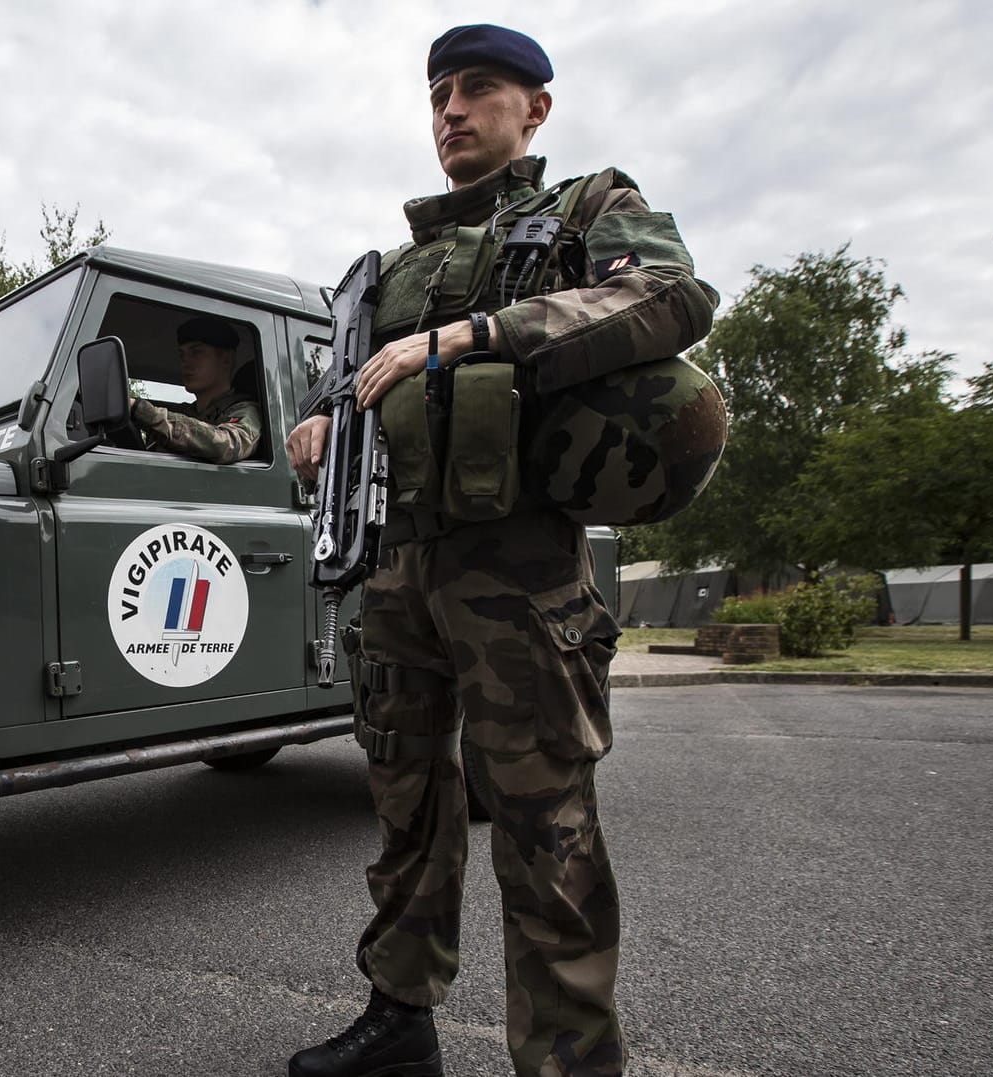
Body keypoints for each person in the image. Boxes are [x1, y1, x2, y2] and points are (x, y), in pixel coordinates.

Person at [284, 24, 718, 1077]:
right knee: (405, 809)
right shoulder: (384, 273)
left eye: (479, 88)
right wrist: (317, 424)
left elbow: (670, 297)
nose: (451, 109)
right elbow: (345, 392)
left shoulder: (584, 209)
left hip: (522, 570)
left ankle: (568, 1062)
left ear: (536, 109)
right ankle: (399, 1020)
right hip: (398, 565)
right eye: (438, 93)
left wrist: (476, 335)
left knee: (544, 830)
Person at [128, 316, 262, 464]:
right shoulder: (187, 412)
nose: (185, 362)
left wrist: (140, 410)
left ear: (226, 359)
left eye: (196, 352)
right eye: (182, 355)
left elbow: (227, 445)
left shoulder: (246, 411)